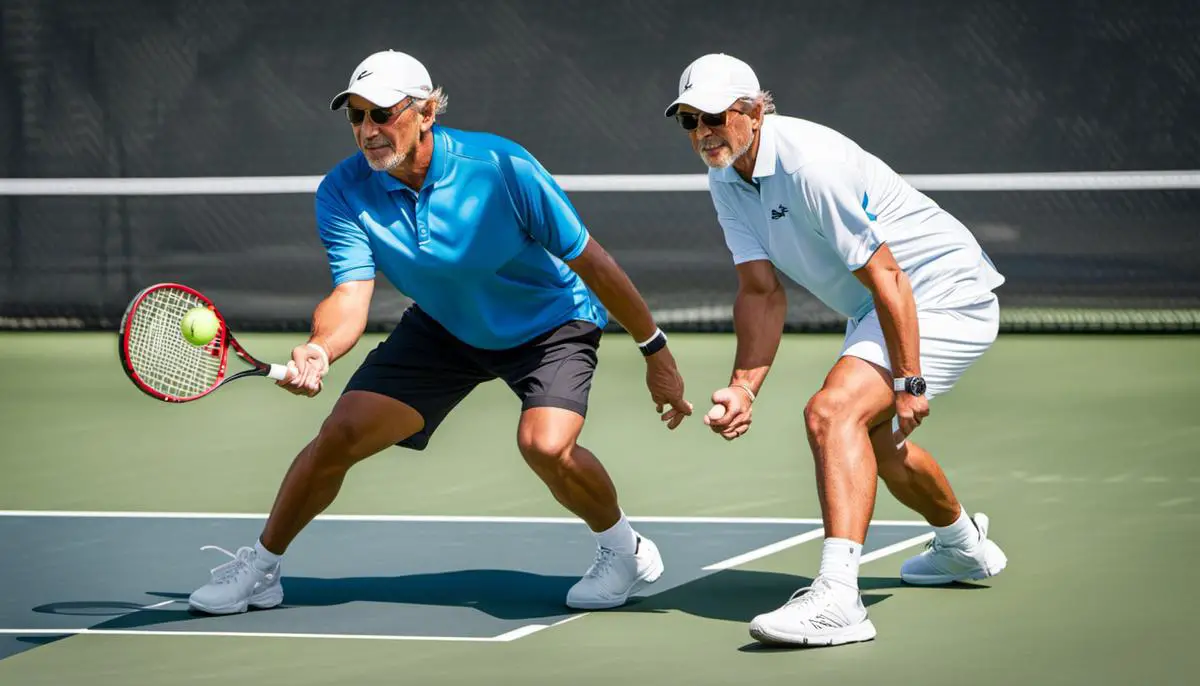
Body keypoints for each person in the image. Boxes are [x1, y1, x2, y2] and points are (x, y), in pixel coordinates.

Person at [187, 49, 694, 615]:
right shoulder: (343, 191)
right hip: (446, 326)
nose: (368, 130)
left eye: (382, 113)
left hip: (548, 321)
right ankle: (261, 569)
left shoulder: (501, 167)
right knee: (342, 433)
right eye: (356, 117)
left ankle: (622, 549)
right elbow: (351, 295)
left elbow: (593, 262)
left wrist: (655, 352)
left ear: (426, 113)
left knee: (545, 445)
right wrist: (321, 348)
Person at [662, 53, 1009, 647]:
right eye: (688, 121)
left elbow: (890, 276)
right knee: (874, 442)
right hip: (881, 304)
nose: (702, 133)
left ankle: (838, 600)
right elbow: (761, 291)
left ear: (751, 110)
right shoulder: (725, 178)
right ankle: (962, 546)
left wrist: (910, 380)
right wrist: (745, 386)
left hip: (943, 292)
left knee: (832, 413)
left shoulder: (808, 166)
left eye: (713, 117)